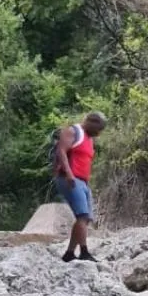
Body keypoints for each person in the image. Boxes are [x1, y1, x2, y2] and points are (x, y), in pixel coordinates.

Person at [53, 111, 107, 262]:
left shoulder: (89, 139)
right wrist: (69, 174)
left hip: (82, 181)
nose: (99, 133)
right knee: (82, 215)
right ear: (92, 122)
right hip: (69, 178)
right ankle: (84, 251)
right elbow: (61, 152)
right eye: (98, 129)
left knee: (86, 218)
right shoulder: (72, 131)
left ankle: (70, 253)